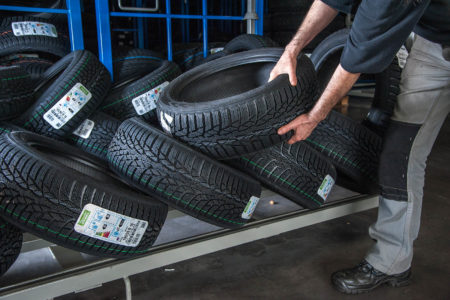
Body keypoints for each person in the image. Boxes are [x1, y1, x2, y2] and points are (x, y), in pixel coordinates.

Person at [269, 0, 450, 294]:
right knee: (400, 152)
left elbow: (356, 58)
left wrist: (315, 116)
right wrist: (292, 49)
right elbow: (329, 1)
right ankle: (392, 260)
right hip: (435, 43)